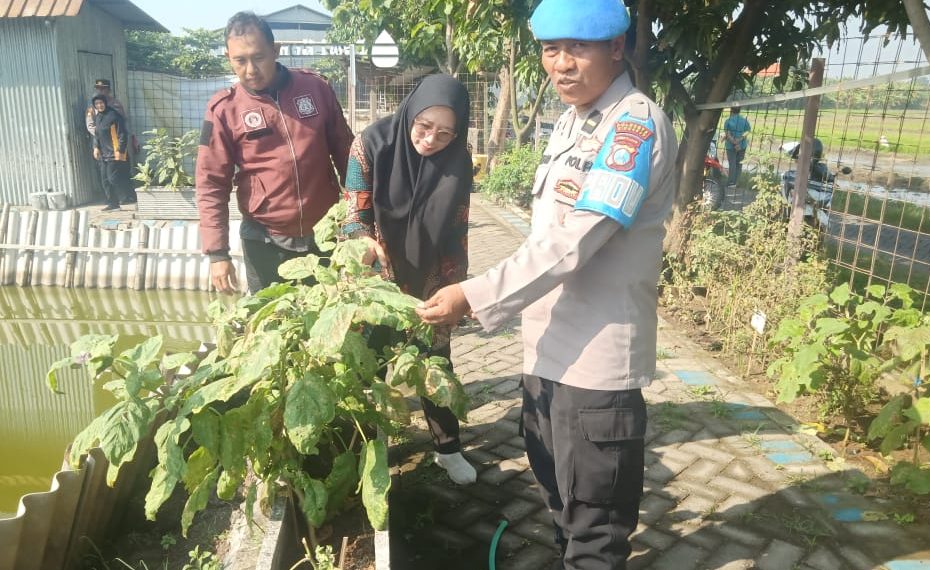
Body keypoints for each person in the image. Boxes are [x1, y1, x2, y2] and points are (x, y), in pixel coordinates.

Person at [415, 0, 679, 567]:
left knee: (595, 528)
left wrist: (474, 295)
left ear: (616, 47)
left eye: (577, 48)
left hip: (595, 364)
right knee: (558, 500)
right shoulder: (571, 118)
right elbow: (545, 234)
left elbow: (576, 240)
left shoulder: (633, 125)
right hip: (546, 351)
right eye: (550, 49)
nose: (561, 64)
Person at [339, 74, 477, 485]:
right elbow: (354, 212)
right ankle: (368, 449)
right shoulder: (370, 144)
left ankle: (447, 449)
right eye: (424, 127)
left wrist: (458, 289)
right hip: (377, 275)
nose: (432, 139)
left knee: (435, 365)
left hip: (429, 274)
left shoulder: (459, 162)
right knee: (367, 365)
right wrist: (362, 241)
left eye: (445, 133)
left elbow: (458, 228)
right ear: (411, 113)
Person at [196, 11, 353, 294]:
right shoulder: (223, 109)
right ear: (228, 59)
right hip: (264, 241)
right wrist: (218, 253)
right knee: (273, 324)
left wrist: (360, 221)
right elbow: (210, 183)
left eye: (258, 57)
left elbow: (348, 154)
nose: (250, 70)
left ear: (276, 51)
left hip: (326, 235)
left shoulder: (316, 89)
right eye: (239, 61)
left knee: (329, 321)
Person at [90, 94, 136, 211]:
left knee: (113, 178)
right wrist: (96, 147)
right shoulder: (98, 117)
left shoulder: (114, 116)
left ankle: (130, 197)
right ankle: (113, 204)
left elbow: (122, 134)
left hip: (115, 152)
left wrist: (120, 150)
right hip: (104, 154)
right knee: (105, 180)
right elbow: (97, 134)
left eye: (101, 103)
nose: (99, 105)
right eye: (97, 104)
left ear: (105, 103)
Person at [723, 105, 751, 187]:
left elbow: (727, 134)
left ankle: (731, 182)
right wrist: (739, 140)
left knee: (732, 163)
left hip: (730, 146)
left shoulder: (727, 121)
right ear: (739, 110)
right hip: (742, 145)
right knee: (739, 163)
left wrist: (734, 142)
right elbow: (747, 131)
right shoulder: (744, 120)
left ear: (731, 110)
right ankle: (736, 182)